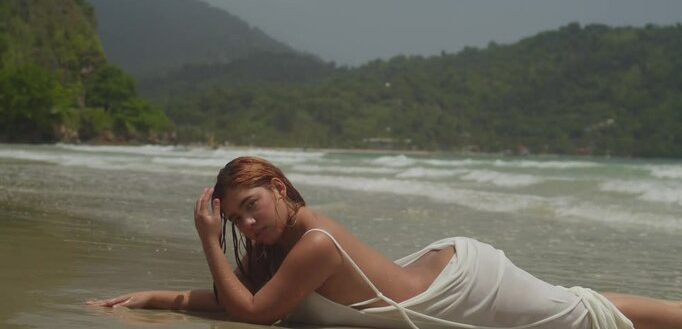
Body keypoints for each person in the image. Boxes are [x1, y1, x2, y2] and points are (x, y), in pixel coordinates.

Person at [88, 156, 682, 329]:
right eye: (235, 220)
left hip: (464, 287)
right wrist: (154, 297)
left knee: (581, 315)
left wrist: (207, 239)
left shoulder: (314, 241)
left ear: (277, 187)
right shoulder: (283, 245)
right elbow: (229, 298)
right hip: (432, 272)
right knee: (579, 306)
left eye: (252, 208)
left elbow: (255, 312)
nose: (247, 226)